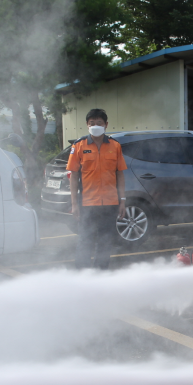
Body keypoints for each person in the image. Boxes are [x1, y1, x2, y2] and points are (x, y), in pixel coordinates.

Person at [67, 108, 127, 269]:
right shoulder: (79, 146)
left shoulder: (115, 146)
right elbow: (73, 176)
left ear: (106, 125)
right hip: (87, 203)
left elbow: (120, 174)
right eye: (92, 123)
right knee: (85, 241)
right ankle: (82, 275)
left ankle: (101, 274)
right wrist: (74, 204)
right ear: (87, 125)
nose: (95, 126)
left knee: (105, 240)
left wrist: (122, 201)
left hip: (110, 202)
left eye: (99, 123)